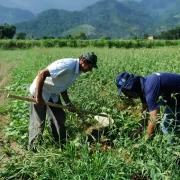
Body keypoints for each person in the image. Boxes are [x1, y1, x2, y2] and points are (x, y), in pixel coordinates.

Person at [29, 52, 98, 151]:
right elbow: (41, 74)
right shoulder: (67, 66)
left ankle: (61, 145)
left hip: (53, 94)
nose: (90, 70)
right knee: (38, 123)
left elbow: (63, 86)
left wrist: (68, 103)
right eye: (90, 67)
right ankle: (33, 149)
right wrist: (38, 97)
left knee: (59, 118)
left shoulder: (77, 71)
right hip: (40, 92)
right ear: (83, 61)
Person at [116, 72, 180, 144]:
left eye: (125, 92)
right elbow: (145, 110)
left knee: (167, 126)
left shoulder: (150, 89)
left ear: (130, 87)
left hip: (177, 99)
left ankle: (171, 151)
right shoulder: (142, 87)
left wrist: (144, 142)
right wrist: (139, 130)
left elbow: (155, 118)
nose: (126, 95)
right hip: (175, 99)